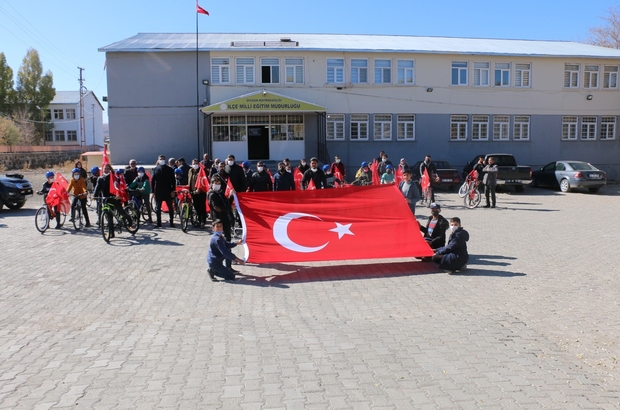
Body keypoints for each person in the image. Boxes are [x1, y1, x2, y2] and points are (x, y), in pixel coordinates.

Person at [94, 163, 131, 237]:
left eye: (108, 169)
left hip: (114, 198)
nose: (106, 170)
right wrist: (95, 196)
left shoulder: (113, 178)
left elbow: (117, 187)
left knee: (121, 211)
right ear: (103, 169)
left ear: (110, 169)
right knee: (109, 215)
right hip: (106, 198)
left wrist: (118, 195)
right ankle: (111, 233)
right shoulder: (100, 178)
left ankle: (129, 219)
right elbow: (97, 188)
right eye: (105, 169)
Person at [151, 154, 176, 228]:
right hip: (158, 191)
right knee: (158, 208)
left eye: (163, 159)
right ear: (158, 160)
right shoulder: (155, 169)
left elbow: (173, 181)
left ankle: (171, 222)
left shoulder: (170, 169)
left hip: (168, 191)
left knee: (170, 207)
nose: (161, 160)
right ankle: (159, 223)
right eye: (160, 159)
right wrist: (153, 191)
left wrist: (173, 191)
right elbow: (152, 181)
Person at [208, 177, 233, 242]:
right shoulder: (212, 194)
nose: (217, 185)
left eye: (219, 183)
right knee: (219, 237)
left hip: (225, 217)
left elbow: (225, 203)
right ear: (212, 184)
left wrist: (231, 197)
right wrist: (229, 208)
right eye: (216, 183)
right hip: (218, 218)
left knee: (227, 235)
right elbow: (216, 207)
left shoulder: (220, 193)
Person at [188, 159, 208, 227]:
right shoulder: (190, 171)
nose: (195, 165)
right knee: (196, 207)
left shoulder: (202, 171)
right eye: (194, 163)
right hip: (193, 191)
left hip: (201, 192)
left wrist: (199, 189)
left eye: (196, 163)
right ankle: (199, 220)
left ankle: (203, 221)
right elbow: (189, 180)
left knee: (202, 206)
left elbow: (204, 181)